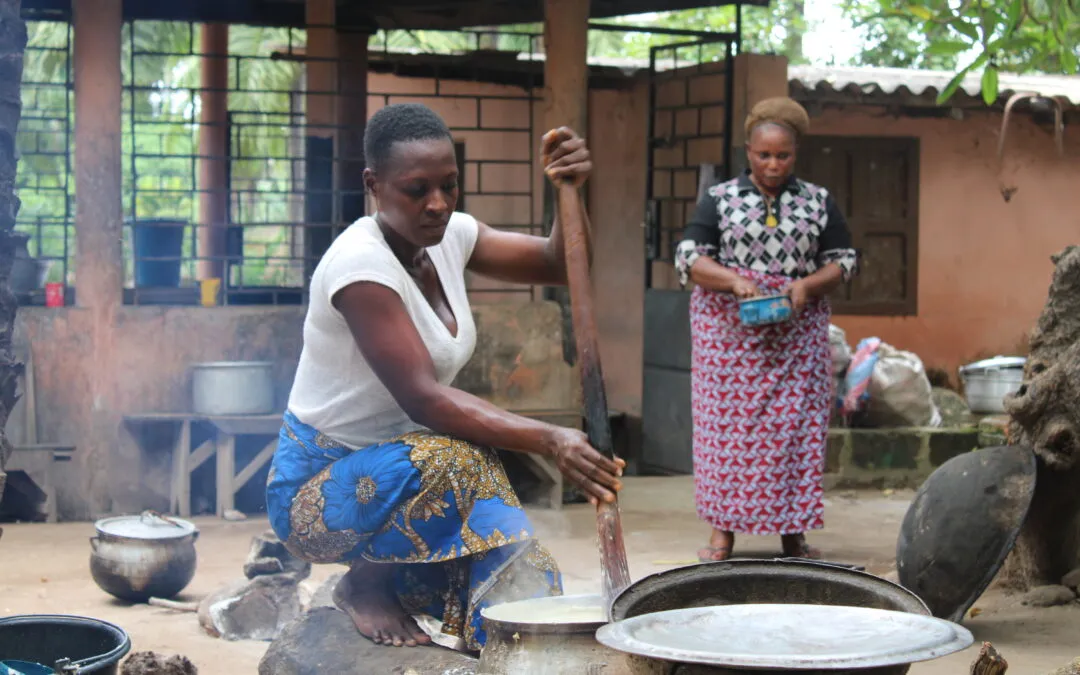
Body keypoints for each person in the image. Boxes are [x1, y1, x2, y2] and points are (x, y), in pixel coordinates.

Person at [266, 103, 624, 653]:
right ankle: (365, 580)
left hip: (409, 472)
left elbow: (559, 262)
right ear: (374, 185)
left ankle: (508, 646)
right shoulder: (359, 267)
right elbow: (424, 398)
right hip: (320, 492)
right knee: (462, 458)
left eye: (450, 186)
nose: (437, 204)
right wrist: (552, 438)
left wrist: (569, 190)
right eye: (416, 190)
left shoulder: (451, 236)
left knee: (511, 557)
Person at [674, 97, 858, 563]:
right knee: (726, 434)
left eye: (783, 155)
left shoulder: (817, 201)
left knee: (795, 432)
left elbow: (845, 261)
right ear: (747, 151)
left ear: (796, 154)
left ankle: (792, 536)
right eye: (763, 155)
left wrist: (807, 286)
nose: (773, 164)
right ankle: (722, 536)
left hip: (796, 340)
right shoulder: (720, 200)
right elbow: (689, 256)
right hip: (730, 342)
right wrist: (736, 282)